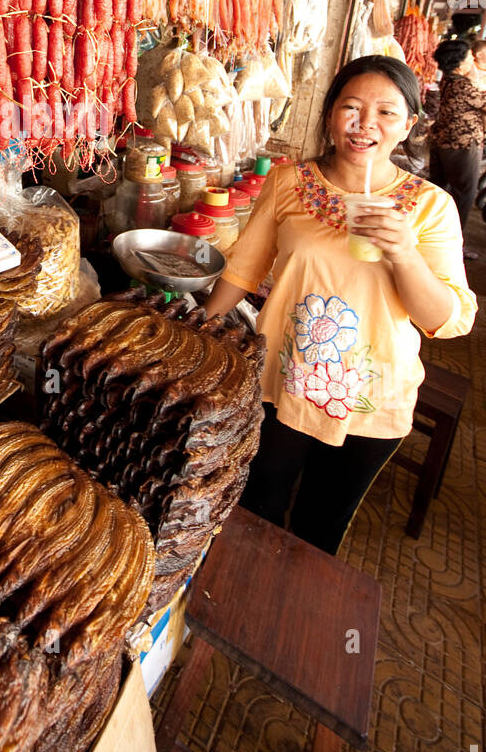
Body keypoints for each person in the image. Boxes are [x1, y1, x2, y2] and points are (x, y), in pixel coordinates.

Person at [203, 55, 476, 555]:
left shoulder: (431, 206)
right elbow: (244, 268)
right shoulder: (288, 184)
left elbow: (446, 319)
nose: (365, 124)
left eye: (386, 113)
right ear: (330, 114)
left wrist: (403, 252)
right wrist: (203, 329)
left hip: (369, 396)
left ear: (409, 124)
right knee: (254, 505)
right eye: (350, 107)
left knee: (319, 529)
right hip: (278, 381)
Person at [428, 39, 486, 244]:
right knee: (464, 194)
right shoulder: (463, 85)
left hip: (443, 143)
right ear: (460, 61)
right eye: (469, 55)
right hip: (462, 146)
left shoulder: (448, 80)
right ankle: (453, 244)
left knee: (439, 190)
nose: (472, 58)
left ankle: (432, 236)